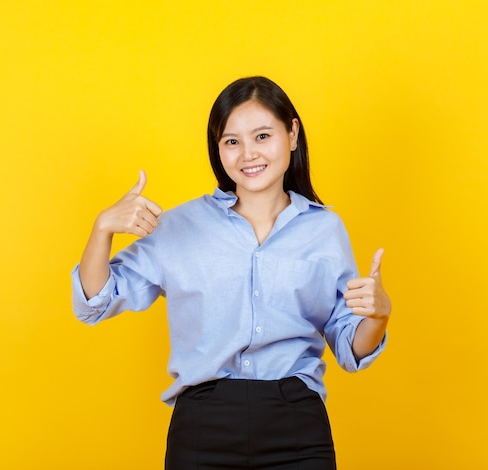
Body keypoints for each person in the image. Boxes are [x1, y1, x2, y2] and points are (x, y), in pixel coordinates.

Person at [71, 76, 391, 469]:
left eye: (262, 136)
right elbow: (94, 302)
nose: (248, 154)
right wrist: (102, 229)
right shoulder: (180, 226)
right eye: (232, 142)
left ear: (292, 133)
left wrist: (377, 315)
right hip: (204, 426)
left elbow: (349, 345)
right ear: (217, 148)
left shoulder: (324, 230)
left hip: (296, 427)